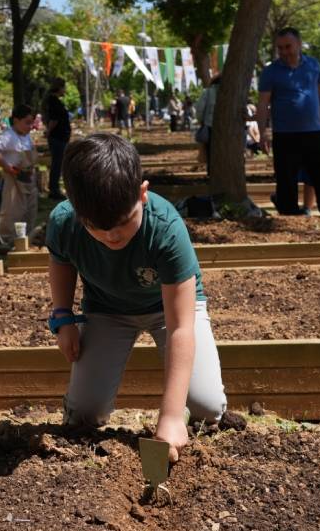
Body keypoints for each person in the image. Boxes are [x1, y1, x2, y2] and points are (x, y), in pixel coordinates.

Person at [46, 133, 226, 461]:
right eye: (96, 228)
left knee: (206, 406)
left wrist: (171, 416)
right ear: (76, 210)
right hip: (106, 309)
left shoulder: (165, 227)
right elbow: (61, 261)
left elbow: (180, 328)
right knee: (84, 415)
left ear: (142, 193)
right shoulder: (64, 221)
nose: (111, 236)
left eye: (123, 223)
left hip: (170, 309)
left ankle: (186, 420)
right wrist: (63, 316)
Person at [256, 28, 320, 216]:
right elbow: (262, 104)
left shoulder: (313, 65)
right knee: (286, 178)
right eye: (280, 48)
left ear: (299, 44)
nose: (284, 52)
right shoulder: (270, 72)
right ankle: (288, 214)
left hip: (314, 131)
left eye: (288, 46)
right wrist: (262, 133)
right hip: (284, 134)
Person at [0, 105, 38, 253]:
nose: (30, 126)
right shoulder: (9, 136)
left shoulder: (26, 135)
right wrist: (7, 166)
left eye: (31, 122)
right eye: (27, 122)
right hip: (14, 178)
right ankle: (7, 241)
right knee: (13, 210)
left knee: (29, 209)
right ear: (16, 121)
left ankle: (26, 239)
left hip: (28, 177)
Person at [43, 77, 71, 201]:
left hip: (60, 137)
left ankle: (55, 188)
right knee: (57, 164)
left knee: (58, 163)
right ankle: (54, 189)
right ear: (59, 88)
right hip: (57, 137)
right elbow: (54, 120)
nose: (65, 90)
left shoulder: (54, 101)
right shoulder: (53, 101)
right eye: (64, 87)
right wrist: (48, 131)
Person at [197, 76, 218, 174]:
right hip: (227, 128)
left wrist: (201, 120)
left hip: (210, 125)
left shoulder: (208, 92)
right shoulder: (230, 92)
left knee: (210, 150)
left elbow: (200, 109)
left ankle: (211, 171)